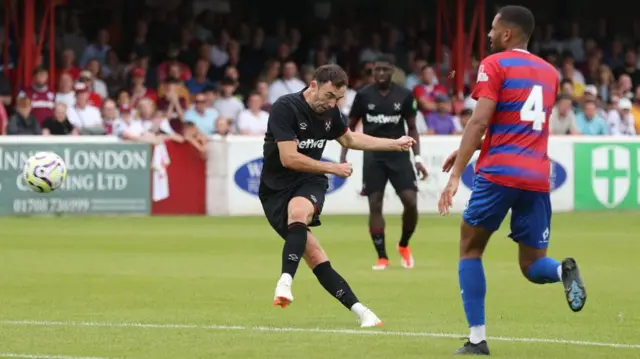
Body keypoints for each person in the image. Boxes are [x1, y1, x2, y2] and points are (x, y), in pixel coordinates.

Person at [437, 6, 587, 355]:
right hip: (536, 175)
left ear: (507, 34)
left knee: (470, 248)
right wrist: (466, 153)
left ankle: (477, 340)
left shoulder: (495, 64)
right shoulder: (550, 73)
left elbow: (480, 121)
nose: (488, 35)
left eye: (492, 29)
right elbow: (517, 124)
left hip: (499, 173)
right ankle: (562, 270)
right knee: (533, 265)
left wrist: (457, 173)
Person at [260, 64, 415, 327]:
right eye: (329, 96)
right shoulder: (286, 107)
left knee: (298, 212)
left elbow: (351, 139)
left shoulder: (332, 113)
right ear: (313, 86)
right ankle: (361, 311)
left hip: (309, 180)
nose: (333, 103)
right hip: (275, 189)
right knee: (315, 254)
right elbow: (288, 158)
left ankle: (285, 281)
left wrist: (394, 143)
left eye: (339, 99)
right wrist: (332, 167)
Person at [340, 55, 428, 270]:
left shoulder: (405, 95)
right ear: (372, 72)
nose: (380, 74)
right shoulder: (363, 96)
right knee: (375, 204)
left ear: (392, 71)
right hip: (373, 156)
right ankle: (382, 257)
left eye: (384, 70)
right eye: (376, 70)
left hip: (399, 154)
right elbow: (349, 127)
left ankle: (404, 244)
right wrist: (343, 155)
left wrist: (417, 158)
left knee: (411, 202)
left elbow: (413, 127)